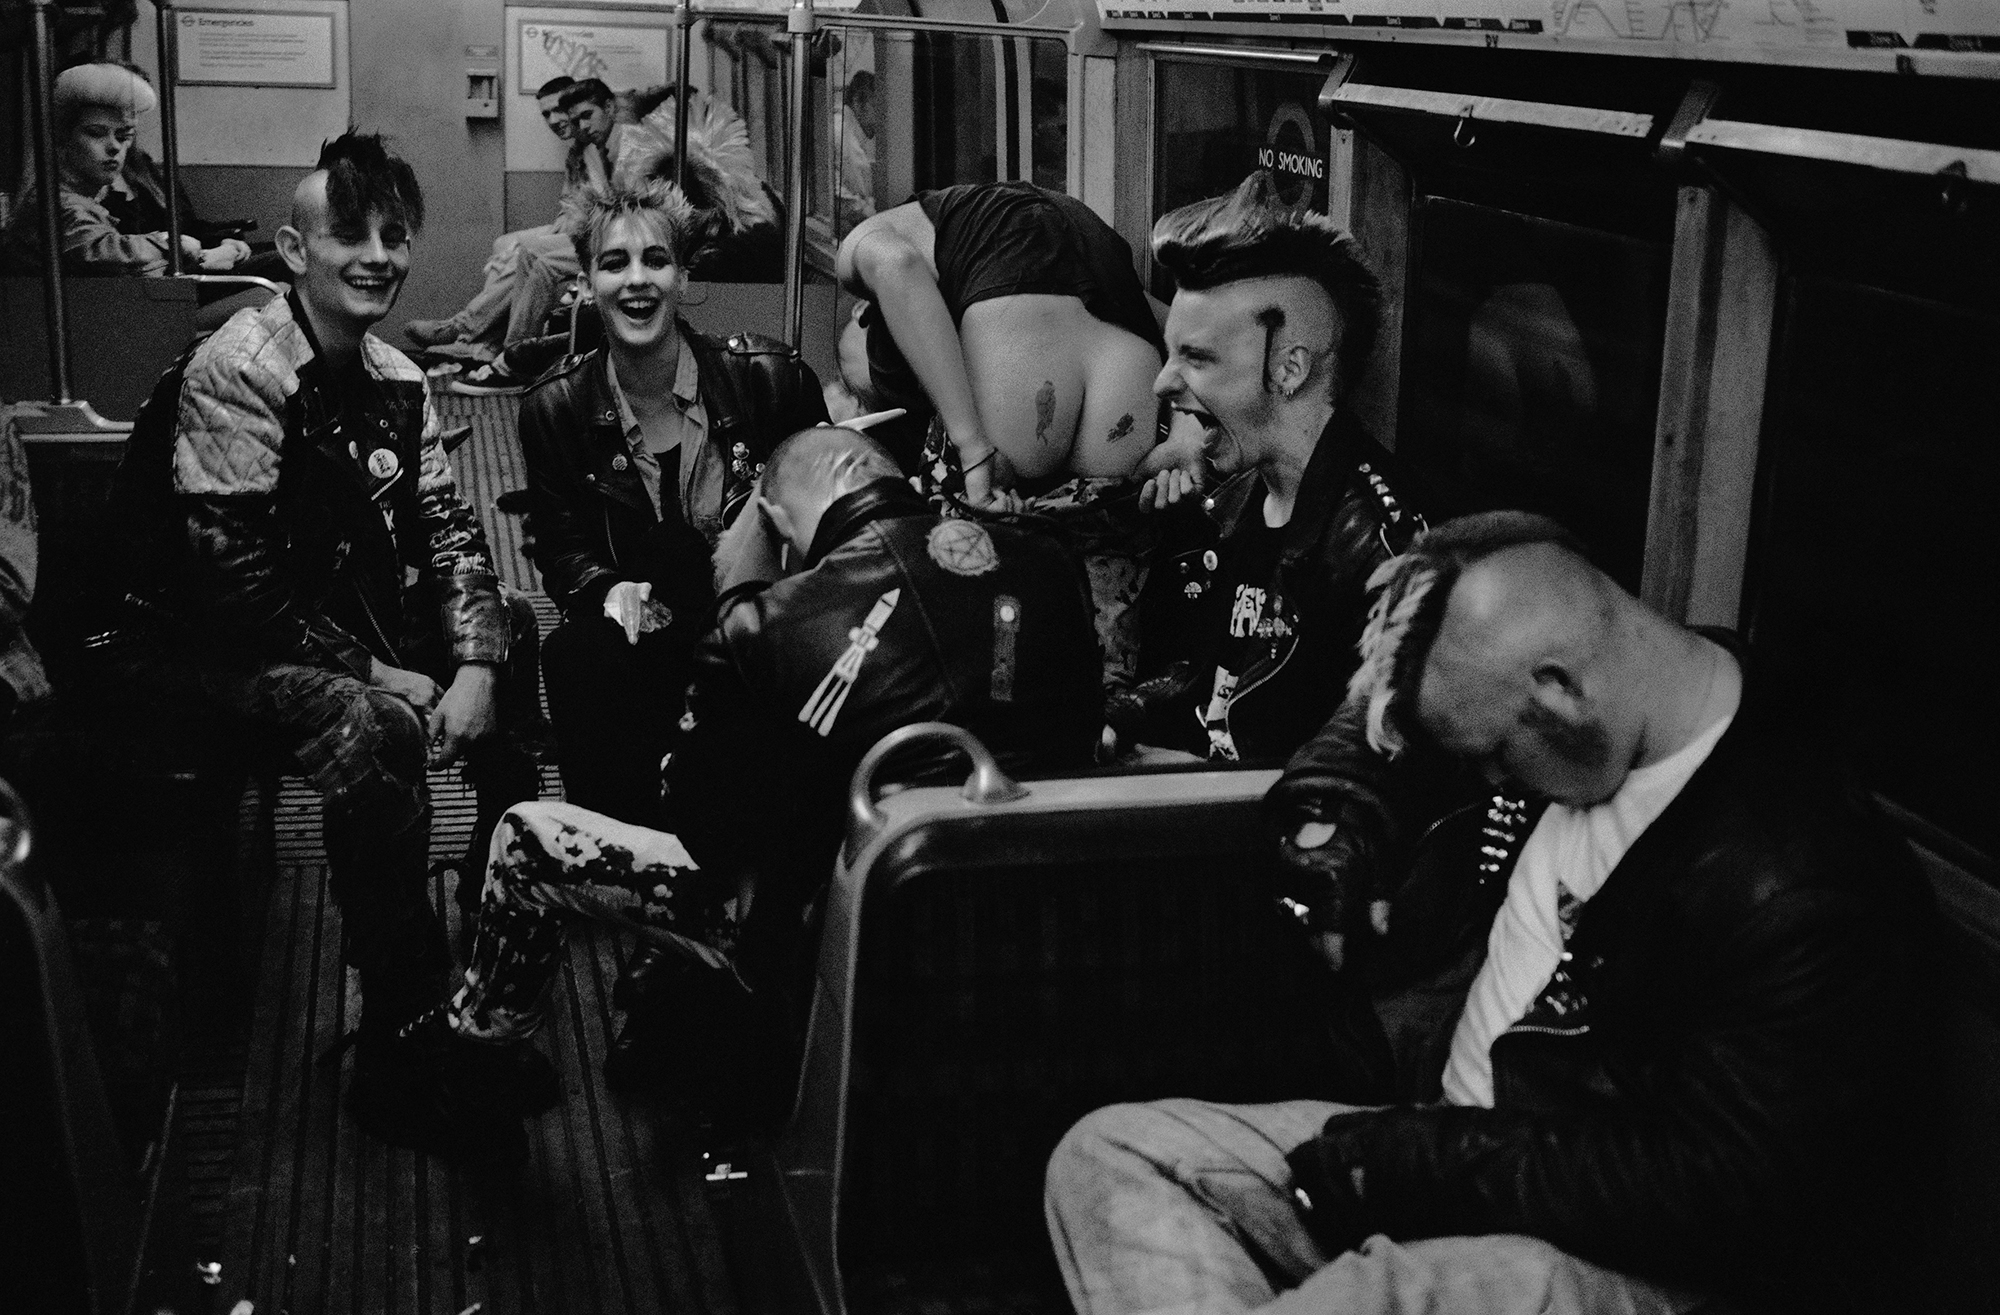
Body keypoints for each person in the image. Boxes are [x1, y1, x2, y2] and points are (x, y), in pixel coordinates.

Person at [1045, 511, 1939, 1315]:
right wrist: (1337, 814)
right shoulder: (1637, 681)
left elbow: (1719, 1187)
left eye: (1493, 756)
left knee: (1375, 1294)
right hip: (1457, 1143)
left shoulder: (1800, 885)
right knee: (1112, 1156)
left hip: (1629, 1248)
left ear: (1558, 693)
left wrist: (1426, 1161)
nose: (1483, 780)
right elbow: (1393, 701)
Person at [410, 425, 1102, 1130]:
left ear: (772, 522)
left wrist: (739, 585)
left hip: (840, 937)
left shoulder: (765, 624)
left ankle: (474, 1067)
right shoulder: (1047, 556)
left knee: (525, 837)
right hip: (1035, 925)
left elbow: (701, 830)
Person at [85, 133, 548, 1158]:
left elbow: (450, 529)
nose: (378, 255)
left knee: (512, 648)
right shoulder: (241, 367)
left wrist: (474, 662)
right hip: (179, 644)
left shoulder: (393, 375)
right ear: (296, 251)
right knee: (374, 727)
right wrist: (382, 669)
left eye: (394, 234)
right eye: (350, 235)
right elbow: (227, 575)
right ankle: (402, 1037)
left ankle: (492, 968)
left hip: (310, 621)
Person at [519, 181, 826, 831]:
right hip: (638, 629)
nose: (637, 280)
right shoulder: (554, 407)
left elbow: (827, 532)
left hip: (751, 620)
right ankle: (621, 847)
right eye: (614, 263)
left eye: (656, 260)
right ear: (585, 282)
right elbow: (559, 543)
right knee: (576, 654)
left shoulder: (769, 381)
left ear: (684, 276)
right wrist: (606, 589)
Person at [1110, 169, 1422, 764]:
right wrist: (1120, 720)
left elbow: (1369, 776)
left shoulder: (1384, 550)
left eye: (1197, 359)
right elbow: (1201, 682)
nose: (1162, 382)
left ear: (1289, 369)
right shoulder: (1232, 503)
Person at [2, 62, 247, 278]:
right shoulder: (56, 203)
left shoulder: (84, 199)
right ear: (63, 139)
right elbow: (99, 251)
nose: (114, 147)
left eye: (123, 136)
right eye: (96, 133)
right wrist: (170, 243)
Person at [402, 76, 583, 360]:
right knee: (503, 244)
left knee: (525, 253)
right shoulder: (577, 152)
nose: (553, 119)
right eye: (546, 114)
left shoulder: (600, 146)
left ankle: (466, 331)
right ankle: (480, 343)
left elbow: (593, 212)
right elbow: (569, 206)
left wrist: (556, 232)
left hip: (588, 233)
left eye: (559, 109)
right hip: (570, 225)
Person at [835, 70, 880, 233]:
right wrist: (868, 212)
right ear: (858, 102)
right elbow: (836, 195)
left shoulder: (850, 131)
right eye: (877, 107)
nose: (883, 117)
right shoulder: (840, 131)